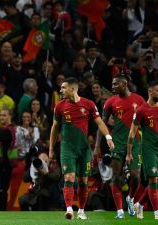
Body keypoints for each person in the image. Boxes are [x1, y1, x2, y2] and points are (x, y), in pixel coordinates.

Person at [49, 77, 114, 220]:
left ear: (73, 89)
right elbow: (54, 128)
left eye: (63, 88)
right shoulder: (59, 106)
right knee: (69, 177)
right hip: (67, 149)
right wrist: (51, 149)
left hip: (84, 149)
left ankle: (82, 210)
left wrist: (108, 137)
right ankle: (69, 209)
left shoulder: (88, 104)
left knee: (84, 181)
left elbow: (99, 122)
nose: (61, 90)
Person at [94, 74, 145, 219]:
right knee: (115, 177)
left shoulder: (139, 100)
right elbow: (101, 124)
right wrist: (97, 145)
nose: (113, 87)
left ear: (125, 84)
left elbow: (147, 121)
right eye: (112, 84)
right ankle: (120, 210)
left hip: (135, 143)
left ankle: (130, 198)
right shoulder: (110, 102)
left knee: (135, 176)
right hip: (117, 144)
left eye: (116, 84)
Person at [126, 80, 158, 220]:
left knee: (155, 181)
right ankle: (157, 212)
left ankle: (139, 204)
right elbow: (132, 133)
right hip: (148, 149)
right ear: (150, 91)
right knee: (153, 179)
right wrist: (129, 153)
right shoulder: (141, 110)